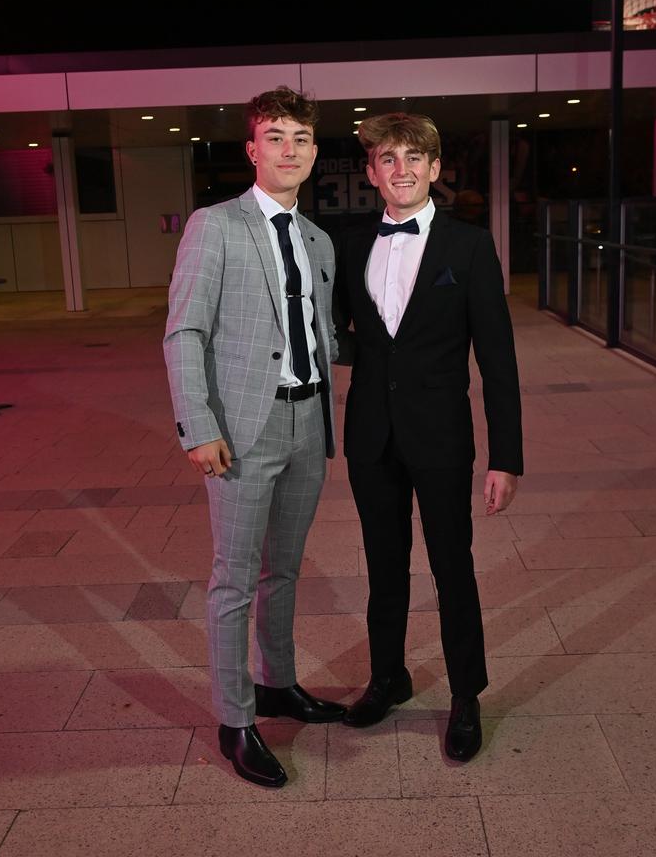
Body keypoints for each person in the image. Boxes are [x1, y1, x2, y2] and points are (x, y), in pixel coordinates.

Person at [164, 86, 344, 789]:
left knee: (285, 571)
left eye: (299, 137)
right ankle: (235, 720)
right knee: (234, 580)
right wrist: (198, 425)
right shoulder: (216, 226)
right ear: (251, 149)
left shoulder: (318, 239)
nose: (288, 149)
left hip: (308, 423)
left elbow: (319, 333)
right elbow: (185, 330)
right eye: (275, 136)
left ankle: (278, 685)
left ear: (313, 152)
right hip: (243, 429)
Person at [335, 112, 523, 762]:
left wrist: (507, 456)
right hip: (371, 438)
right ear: (372, 172)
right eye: (388, 158)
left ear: (436, 169)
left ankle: (466, 694)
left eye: (416, 157)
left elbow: (497, 359)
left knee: (453, 569)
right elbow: (340, 335)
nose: (403, 169)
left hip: (442, 438)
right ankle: (389, 677)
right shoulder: (350, 244)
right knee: (384, 569)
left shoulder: (469, 246)